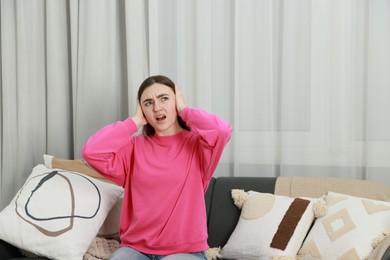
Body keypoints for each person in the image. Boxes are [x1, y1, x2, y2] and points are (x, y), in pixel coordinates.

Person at [81, 75, 233, 260]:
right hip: (135, 249)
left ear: (176, 101)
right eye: (148, 103)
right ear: (142, 110)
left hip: (184, 251)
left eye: (164, 98)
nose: (157, 107)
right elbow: (91, 152)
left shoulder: (198, 146)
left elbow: (222, 131)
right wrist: (135, 121)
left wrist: (184, 110)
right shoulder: (133, 148)